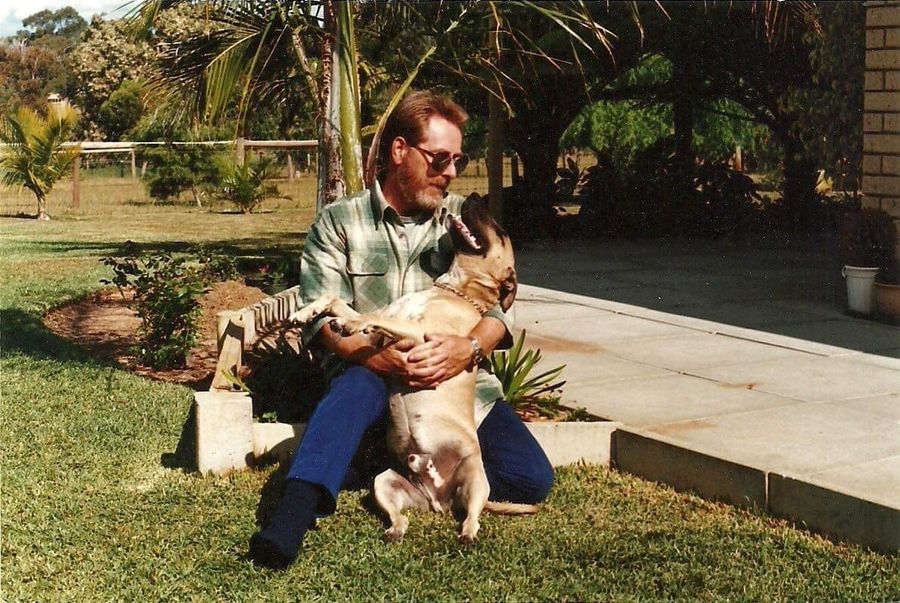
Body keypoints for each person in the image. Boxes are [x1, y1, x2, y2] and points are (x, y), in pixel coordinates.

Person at [249, 90, 554, 569]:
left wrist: (469, 347)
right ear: (398, 151)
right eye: (439, 159)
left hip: (453, 386)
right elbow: (322, 320)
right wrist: (378, 357)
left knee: (530, 477)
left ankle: (399, 468)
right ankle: (291, 517)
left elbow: (500, 309)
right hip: (370, 371)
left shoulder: (462, 221)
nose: (450, 173)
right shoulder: (340, 222)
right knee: (351, 392)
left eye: (458, 160)